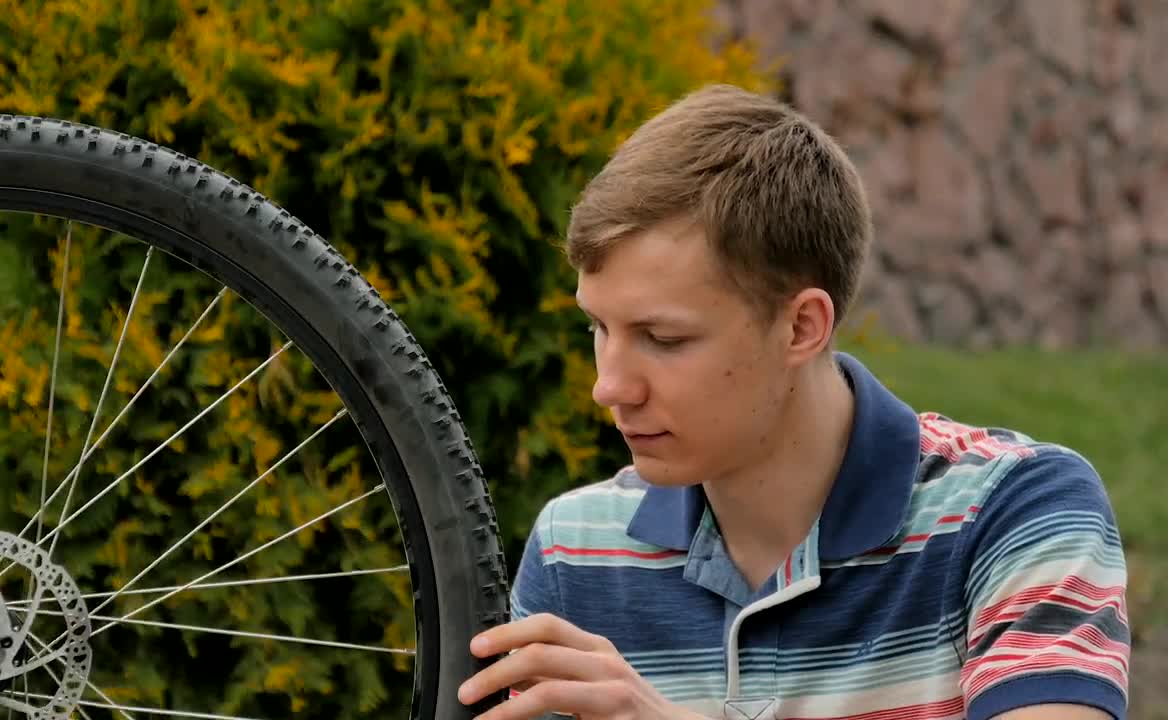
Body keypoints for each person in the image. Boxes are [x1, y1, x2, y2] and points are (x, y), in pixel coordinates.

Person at [456, 84, 1130, 720]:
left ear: (802, 326)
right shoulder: (576, 552)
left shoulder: (1018, 509)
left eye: (662, 338)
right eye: (598, 328)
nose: (609, 386)